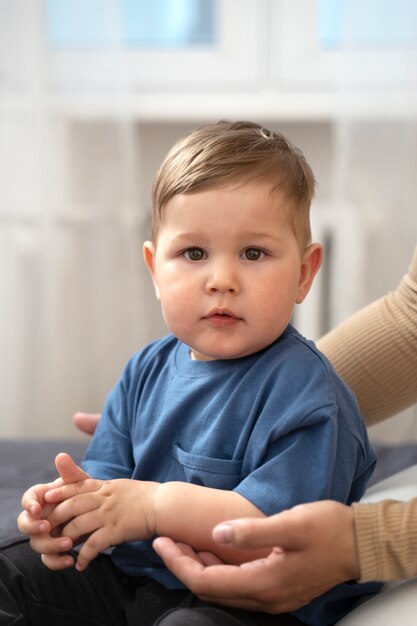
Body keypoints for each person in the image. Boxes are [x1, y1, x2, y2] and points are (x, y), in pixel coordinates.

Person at [6, 121, 381, 626]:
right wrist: (65, 510)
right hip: (135, 578)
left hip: (248, 599)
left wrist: (155, 506)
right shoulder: (145, 369)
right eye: (193, 253)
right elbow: (108, 483)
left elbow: (274, 530)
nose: (221, 280)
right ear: (155, 269)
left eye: (253, 253)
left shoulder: (308, 396)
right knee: (14, 569)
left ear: (303, 273)